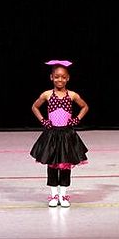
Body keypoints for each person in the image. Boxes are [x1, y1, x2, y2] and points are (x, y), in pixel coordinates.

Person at [30, 60, 89, 208]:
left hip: (67, 135)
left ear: (68, 78)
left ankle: (63, 195)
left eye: (63, 77)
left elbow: (84, 107)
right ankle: (54, 195)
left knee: (65, 166)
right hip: (52, 135)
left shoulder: (73, 95)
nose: (60, 80)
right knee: (52, 165)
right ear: (51, 77)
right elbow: (35, 107)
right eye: (56, 77)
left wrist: (76, 119)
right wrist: (44, 121)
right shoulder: (47, 94)